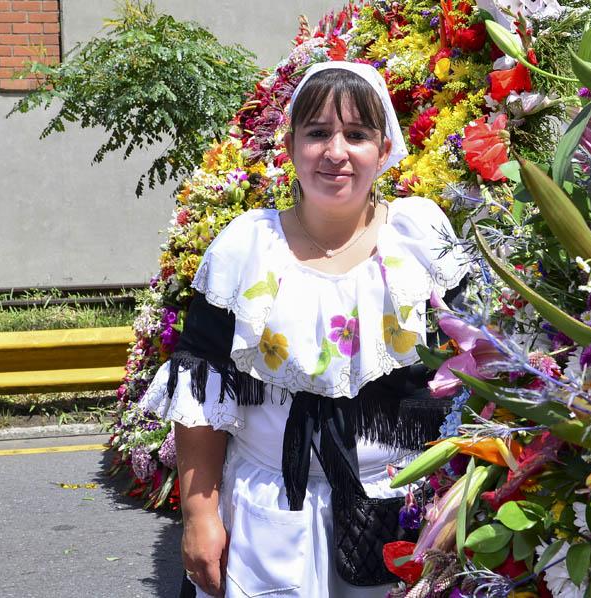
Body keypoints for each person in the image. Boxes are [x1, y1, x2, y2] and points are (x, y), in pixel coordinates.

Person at [139, 61, 469, 597]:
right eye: (318, 133)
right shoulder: (246, 249)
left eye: (357, 135)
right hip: (266, 514)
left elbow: (476, 369)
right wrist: (201, 517)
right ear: (291, 146)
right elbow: (201, 394)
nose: (336, 152)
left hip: (402, 511)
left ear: (383, 151)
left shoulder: (421, 240)